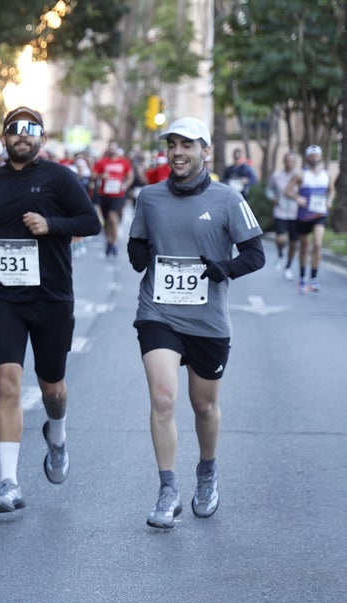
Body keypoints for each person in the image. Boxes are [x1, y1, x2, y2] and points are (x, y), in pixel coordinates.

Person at [0, 107, 101, 514]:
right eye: (14, 130)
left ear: (42, 138)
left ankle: (57, 432)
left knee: (52, 387)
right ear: (3, 138)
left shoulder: (59, 178)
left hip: (52, 297)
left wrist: (52, 224)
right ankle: (9, 482)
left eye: (30, 130)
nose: (22, 135)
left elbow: (92, 222)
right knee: (6, 383)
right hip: (6, 297)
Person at [126, 116, 264, 530]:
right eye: (172, 145)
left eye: (187, 145)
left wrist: (224, 269)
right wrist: (139, 254)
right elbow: (137, 244)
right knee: (164, 399)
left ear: (206, 151)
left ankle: (206, 473)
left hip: (207, 320)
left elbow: (255, 254)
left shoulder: (227, 199)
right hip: (159, 313)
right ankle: (167, 490)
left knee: (203, 406)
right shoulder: (149, 197)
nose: (178, 152)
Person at [285, 144, 332, 294]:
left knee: (317, 244)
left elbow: (332, 191)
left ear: (320, 157)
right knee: (304, 247)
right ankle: (303, 276)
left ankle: (314, 277)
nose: (314, 158)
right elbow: (287, 191)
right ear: (307, 157)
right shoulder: (300, 174)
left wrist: (330, 200)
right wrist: (297, 198)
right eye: (312, 155)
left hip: (320, 214)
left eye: (317, 155)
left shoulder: (326, 174)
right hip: (304, 215)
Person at [92, 141, 133, 257]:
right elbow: (93, 175)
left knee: (112, 216)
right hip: (104, 194)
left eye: (114, 148)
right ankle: (108, 241)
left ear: (117, 149)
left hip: (118, 194)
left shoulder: (124, 162)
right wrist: (101, 176)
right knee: (106, 221)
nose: (112, 150)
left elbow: (130, 176)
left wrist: (125, 185)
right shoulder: (102, 162)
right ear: (108, 149)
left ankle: (114, 243)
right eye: (110, 148)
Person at [265, 151, 299, 277]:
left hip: (295, 213)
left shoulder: (299, 176)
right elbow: (269, 190)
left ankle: (288, 266)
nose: (290, 163)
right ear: (284, 161)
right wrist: (273, 198)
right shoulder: (276, 175)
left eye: (292, 161)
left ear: (295, 162)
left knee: (294, 242)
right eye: (288, 160)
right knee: (280, 238)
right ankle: (280, 253)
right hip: (280, 211)